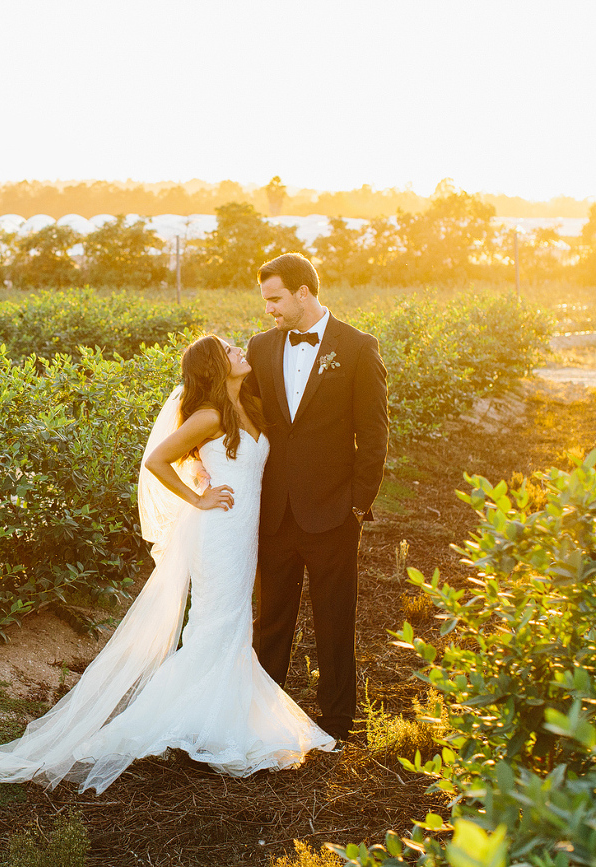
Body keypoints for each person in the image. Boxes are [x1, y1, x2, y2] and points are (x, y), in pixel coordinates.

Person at [0, 333, 334, 795]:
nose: (241, 350)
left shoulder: (249, 410)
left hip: (244, 535)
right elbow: (156, 460)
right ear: (215, 368)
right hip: (217, 532)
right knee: (216, 622)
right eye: (229, 350)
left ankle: (213, 714)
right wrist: (198, 497)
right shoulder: (209, 415)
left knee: (232, 622)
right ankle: (193, 721)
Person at [245, 253, 388, 743]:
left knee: (334, 618)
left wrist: (356, 503)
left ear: (303, 292)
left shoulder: (357, 347)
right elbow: (243, 417)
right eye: (267, 300)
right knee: (271, 621)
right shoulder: (260, 348)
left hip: (334, 511)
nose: (269, 310)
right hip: (276, 510)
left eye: (275, 299)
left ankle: (338, 720)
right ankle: (263, 715)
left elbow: (374, 435)